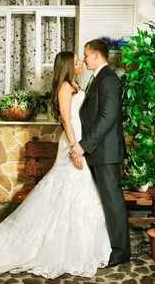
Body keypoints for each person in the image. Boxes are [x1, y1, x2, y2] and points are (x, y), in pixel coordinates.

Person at [0, 51, 111, 279]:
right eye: (76, 61)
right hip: (71, 141)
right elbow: (65, 119)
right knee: (70, 184)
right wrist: (75, 147)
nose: (80, 63)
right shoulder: (65, 87)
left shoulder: (75, 84)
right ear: (67, 65)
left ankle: (78, 243)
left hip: (80, 140)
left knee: (78, 188)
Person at [69, 39, 131, 267]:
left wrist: (84, 144)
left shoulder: (109, 80)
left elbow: (107, 117)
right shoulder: (98, 78)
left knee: (113, 202)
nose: (83, 59)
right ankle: (108, 244)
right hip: (98, 152)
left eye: (86, 55)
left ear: (96, 56)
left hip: (105, 153)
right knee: (103, 201)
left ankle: (121, 251)